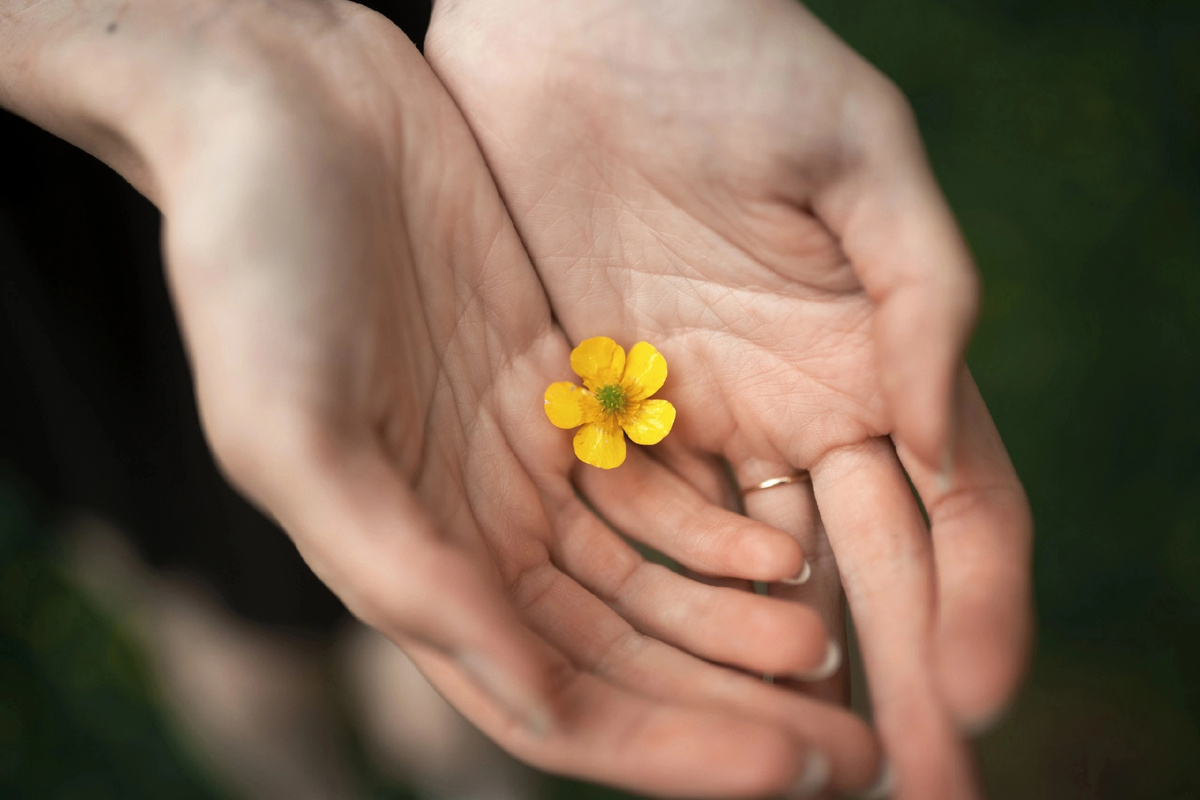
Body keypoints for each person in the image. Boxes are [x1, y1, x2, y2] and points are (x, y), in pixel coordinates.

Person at [0, 0, 1032, 797]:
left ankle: (472, 774)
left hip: (450, 68)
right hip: (66, 211)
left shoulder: (612, 398)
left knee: (448, 676)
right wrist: (155, 52)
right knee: (211, 613)